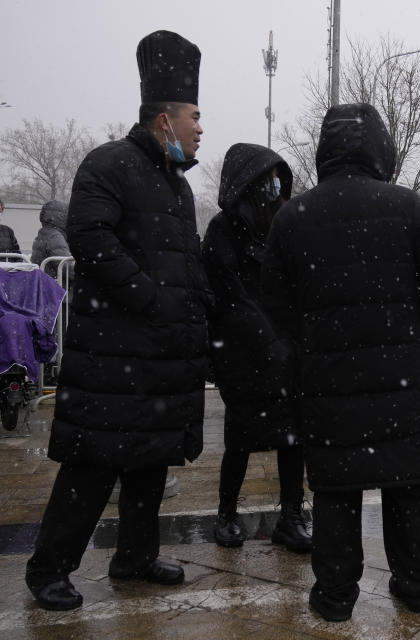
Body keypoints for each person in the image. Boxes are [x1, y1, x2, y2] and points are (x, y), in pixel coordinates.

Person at [25, 30, 209, 611]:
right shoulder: (108, 164)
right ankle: (48, 568)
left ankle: (134, 556)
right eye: (195, 116)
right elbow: (90, 236)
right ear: (164, 119)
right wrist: (148, 298)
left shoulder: (177, 186)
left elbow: (184, 264)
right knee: (93, 465)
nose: (202, 127)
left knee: (149, 463)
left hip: (160, 356)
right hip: (115, 351)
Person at [262, 103, 420, 622]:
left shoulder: (293, 215)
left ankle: (334, 597)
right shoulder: (405, 205)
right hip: (401, 377)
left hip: (327, 380)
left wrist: (309, 339)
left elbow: (273, 298)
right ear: (380, 148)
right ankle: (417, 590)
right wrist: (416, 328)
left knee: (335, 493)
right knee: (408, 487)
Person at [201, 143, 310, 552]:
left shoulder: (283, 222)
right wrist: (268, 338)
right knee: (242, 434)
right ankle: (226, 513)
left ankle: (292, 515)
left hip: (286, 348)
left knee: (293, 435)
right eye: (267, 179)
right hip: (242, 350)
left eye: (277, 178)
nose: (274, 186)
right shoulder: (222, 230)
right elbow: (230, 296)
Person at [31, 200, 70, 276]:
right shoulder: (55, 236)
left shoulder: (43, 233)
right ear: (61, 216)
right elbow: (66, 267)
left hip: (46, 281)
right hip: (56, 284)